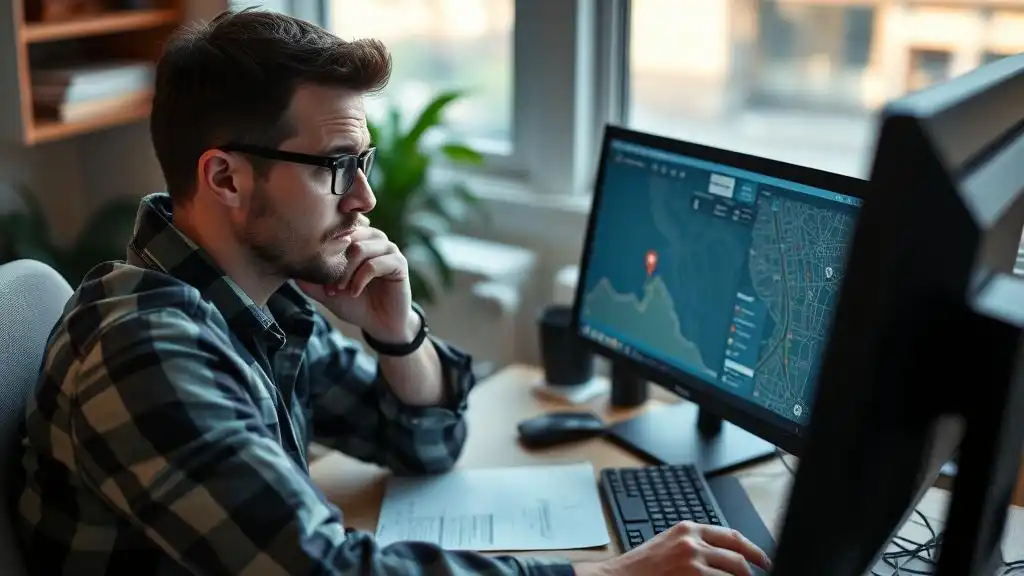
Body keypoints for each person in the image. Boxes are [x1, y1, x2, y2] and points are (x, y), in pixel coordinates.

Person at [13, 8, 771, 576]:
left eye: (364, 160)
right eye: (337, 165)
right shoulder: (146, 349)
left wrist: (395, 330)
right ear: (225, 178)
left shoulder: (253, 304)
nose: (366, 198)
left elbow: (427, 444)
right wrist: (609, 574)